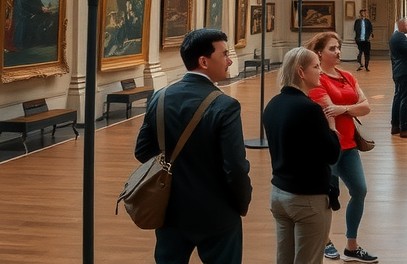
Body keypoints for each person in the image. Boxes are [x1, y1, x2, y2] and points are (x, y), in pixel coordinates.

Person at [134, 28, 252, 264]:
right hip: (216, 212)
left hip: (169, 210)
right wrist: (241, 203)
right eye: (224, 54)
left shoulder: (160, 96)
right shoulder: (225, 105)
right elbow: (235, 167)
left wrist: (174, 167)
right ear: (203, 61)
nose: (229, 60)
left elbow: (142, 150)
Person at [264, 47, 342, 264]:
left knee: (284, 259)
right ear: (301, 72)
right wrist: (332, 126)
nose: (321, 72)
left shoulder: (272, 105)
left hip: (279, 194)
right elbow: (332, 154)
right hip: (307, 199)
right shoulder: (309, 109)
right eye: (316, 67)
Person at [307, 32, 378, 264]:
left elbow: (366, 107)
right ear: (319, 53)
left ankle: (351, 245)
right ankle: (325, 241)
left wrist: (344, 109)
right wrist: (350, 106)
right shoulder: (316, 80)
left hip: (349, 146)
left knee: (360, 190)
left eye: (338, 48)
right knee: (325, 198)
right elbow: (328, 110)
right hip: (327, 148)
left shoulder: (346, 76)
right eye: (332, 48)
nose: (338, 52)